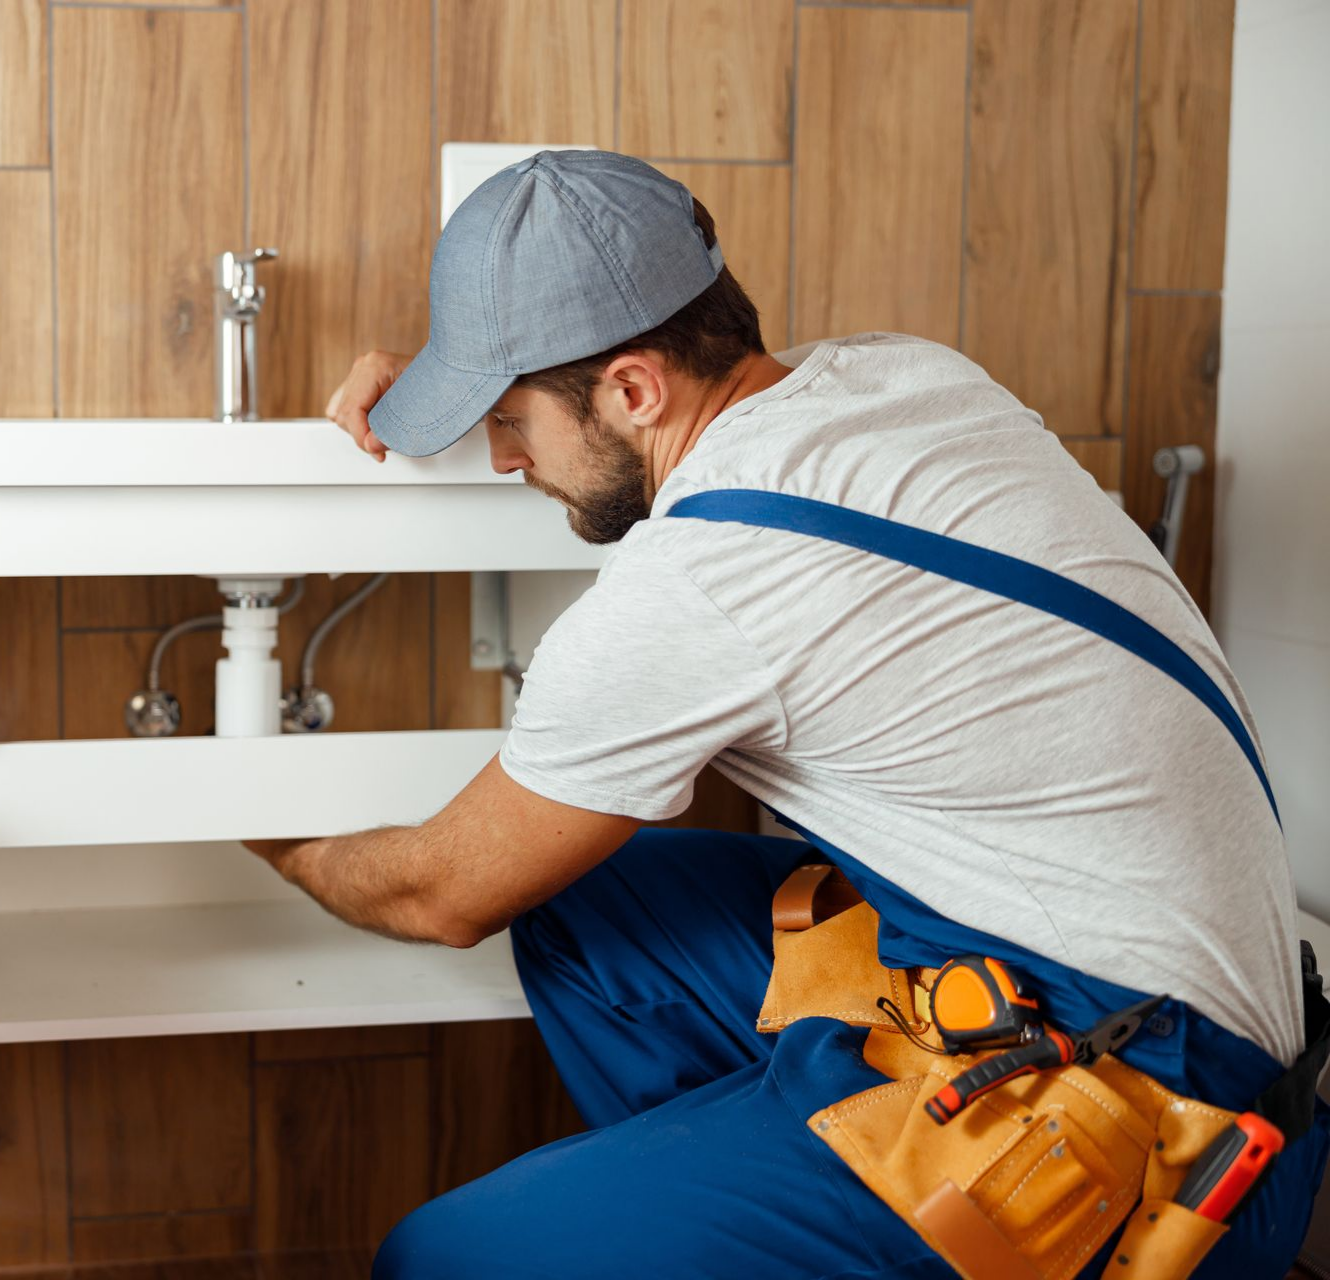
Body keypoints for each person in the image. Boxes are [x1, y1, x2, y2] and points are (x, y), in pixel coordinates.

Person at [242, 150, 1328, 1279]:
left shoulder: (700, 580)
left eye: (509, 417)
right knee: (586, 910)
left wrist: (277, 842)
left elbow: (440, 892)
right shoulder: (904, 374)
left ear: (632, 390)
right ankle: (756, 1201)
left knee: (440, 1259)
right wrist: (471, 376)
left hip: (1155, 1146)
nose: (504, 454)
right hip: (1169, 1023)